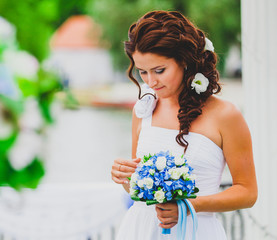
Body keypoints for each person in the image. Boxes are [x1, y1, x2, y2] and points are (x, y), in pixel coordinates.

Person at [111, 10, 257, 240]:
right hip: (140, 230)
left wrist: (191, 205)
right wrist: (125, 178)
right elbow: (139, 192)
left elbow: (247, 192)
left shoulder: (226, 115)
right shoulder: (143, 109)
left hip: (196, 231)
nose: (150, 81)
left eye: (159, 70)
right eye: (142, 72)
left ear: (185, 61)